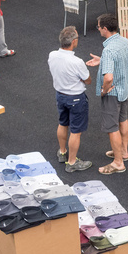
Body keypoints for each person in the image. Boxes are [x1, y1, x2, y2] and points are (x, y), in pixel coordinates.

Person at [86, 14, 128, 175]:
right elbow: (120, 62)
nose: (98, 29)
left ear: (105, 28)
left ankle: (118, 163)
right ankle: (123, 152)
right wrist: (102, 60)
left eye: (99, 27)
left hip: (112, 94)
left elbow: (109, 77)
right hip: (124, 89)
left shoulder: (109, 50)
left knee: (112, 128)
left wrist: (104, 91)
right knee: (123, 120)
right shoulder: (125, 41)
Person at [49, 26, 93, 173]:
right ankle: (72, 162)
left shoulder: (52, 55)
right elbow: (88, 80)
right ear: (74, 42)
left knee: (62, 123)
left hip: (60, 95)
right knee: (76, 131)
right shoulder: (77, 61)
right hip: (76, 98)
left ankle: (62, 152)